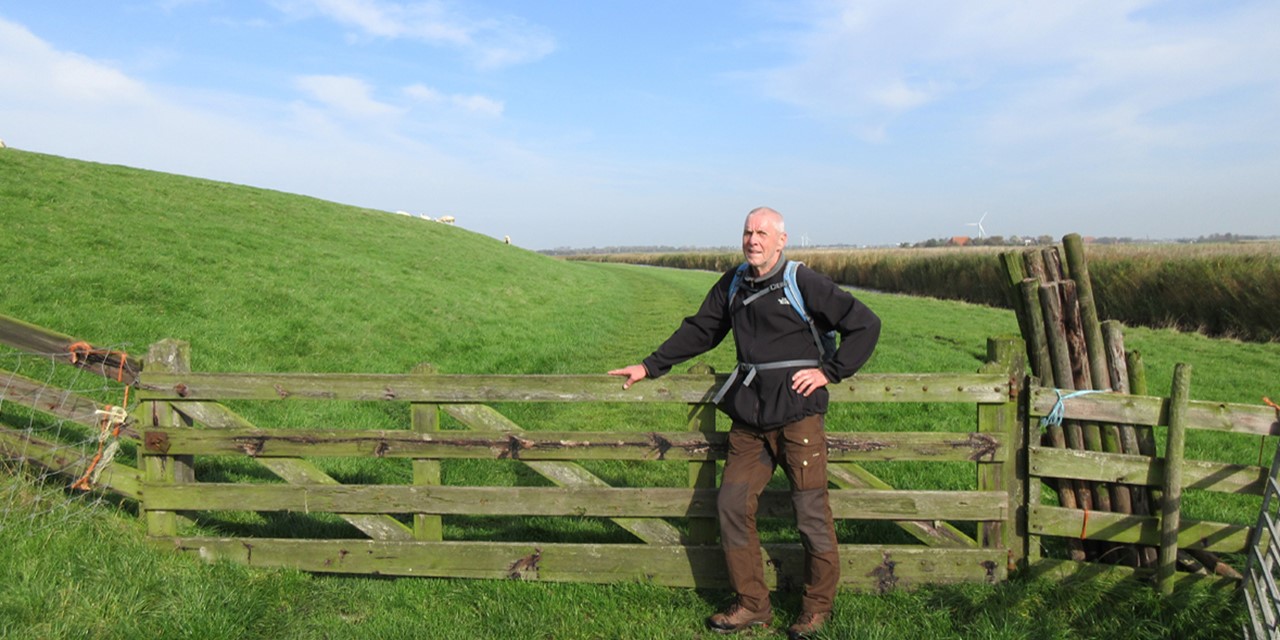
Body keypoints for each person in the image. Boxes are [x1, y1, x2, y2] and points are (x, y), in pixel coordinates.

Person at [609, 207, 881, 638]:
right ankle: (752, 604)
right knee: (731, 505)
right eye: (747, 232)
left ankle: (816, 608)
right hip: (749, 417)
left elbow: (865, 324)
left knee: (810, 514)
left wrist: (830, 371)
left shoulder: (802, 281)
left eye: (762, 233)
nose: (753, 240)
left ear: (781, 240)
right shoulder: (734, 283)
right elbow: (701, 330)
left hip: (798, 416)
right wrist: (649, 366)